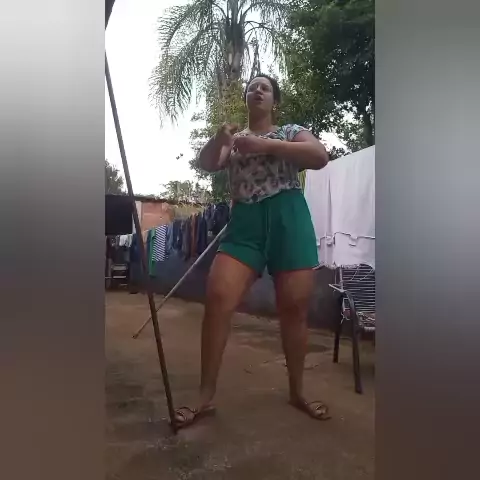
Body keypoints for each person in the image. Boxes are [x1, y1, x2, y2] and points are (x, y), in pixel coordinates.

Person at [174, 74, 330, 429]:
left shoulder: (289, 131)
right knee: (218, 297)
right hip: (245, 221)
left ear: (275, 101)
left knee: (294, 307)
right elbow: (208, 162)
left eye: (265, 88)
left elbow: (319, 156)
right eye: (252, 86)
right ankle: (204, 395)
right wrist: (220, 138)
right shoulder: (234, 140)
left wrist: (265, 145)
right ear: (246, 97)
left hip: (289, 216)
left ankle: (297, 391)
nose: (257, 90)